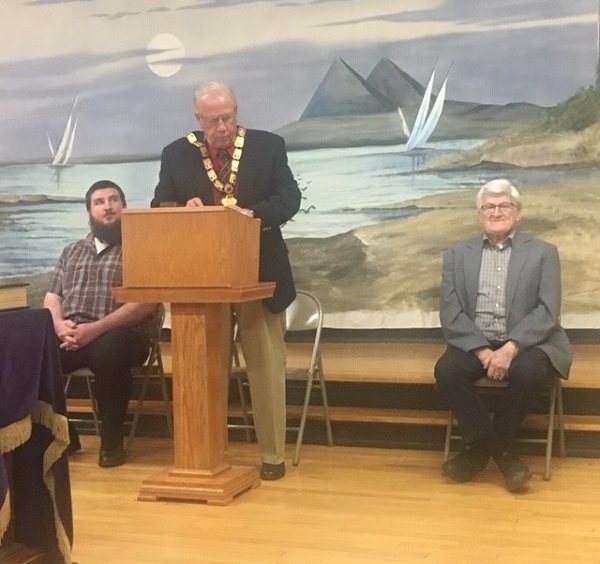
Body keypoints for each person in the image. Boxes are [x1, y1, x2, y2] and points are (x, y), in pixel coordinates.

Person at [151, 81, 301, 480]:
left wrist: (247, 216)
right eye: (213, 120)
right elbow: (159, 204)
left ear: (237, 110)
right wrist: (186, 209)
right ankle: (207, 453)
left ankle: (272, 456)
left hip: (259, 276)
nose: (223, 126)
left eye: (229, 117)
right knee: (205, 372)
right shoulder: (176, 154)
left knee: (266, 370)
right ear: (198, 120)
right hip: (204, 283)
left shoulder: (268, 146)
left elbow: (289, 200)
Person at [434, 178, 572, 492]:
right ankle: (504, 454)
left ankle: (479, 450)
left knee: (529, 370)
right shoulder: (457, 255)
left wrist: (510, 348)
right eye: (489, 207)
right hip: (476, 341)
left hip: (530, 342)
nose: (496, 212)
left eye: (504, 205)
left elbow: (548, 310)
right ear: (480, 213)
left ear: (518, 212)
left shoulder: (543, 253)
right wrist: (484, 352)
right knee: (447, 370)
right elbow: (450, 311)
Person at [44, 180, 156, 468]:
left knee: (109, 350)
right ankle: (63, 436)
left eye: (113, 200)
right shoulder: (72, 251)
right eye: (99, 202)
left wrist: (94, 330)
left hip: (123, 335)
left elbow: (145, 304)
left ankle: (111, 442)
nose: (107, 207)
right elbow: (52, 296)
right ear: (89, 211)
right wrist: (58, 326)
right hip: (72, 335)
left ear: (124, 207)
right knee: (31, 351)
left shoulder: (142, 248)